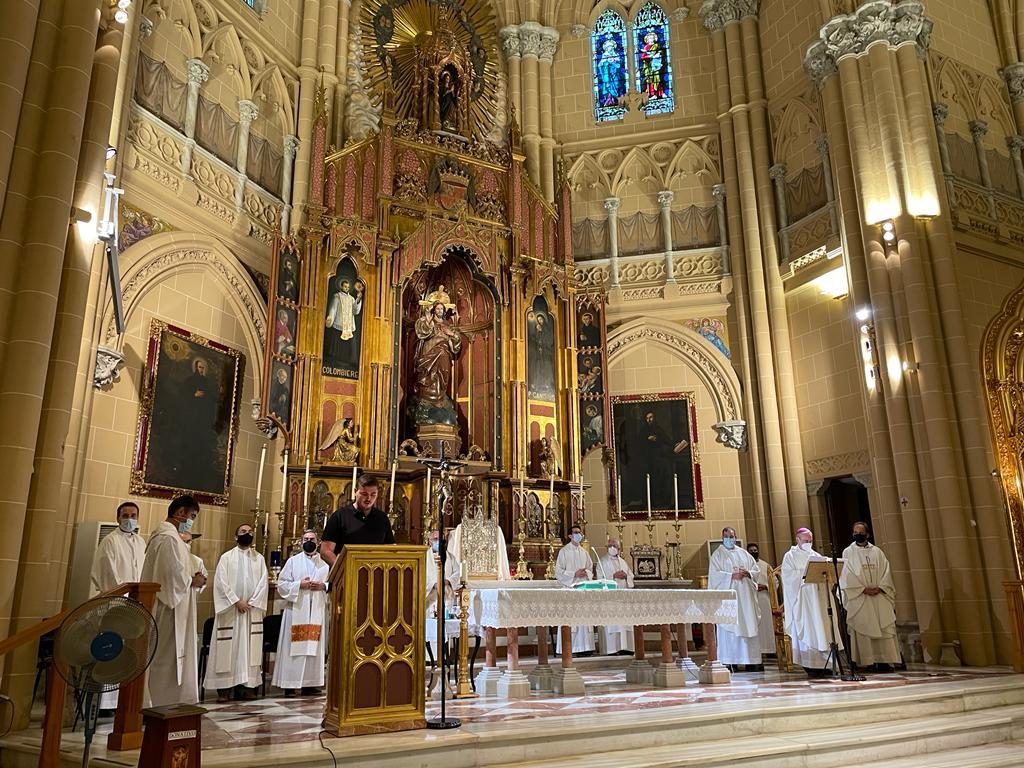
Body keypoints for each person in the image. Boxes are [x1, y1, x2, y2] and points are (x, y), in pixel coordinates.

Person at [142, 495, 206, 707]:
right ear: (180, 513)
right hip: (168, 607)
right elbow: (171, 576)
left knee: (168, 657)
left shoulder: (167, 536)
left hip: (171, 604)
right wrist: (192, 580)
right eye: (192, 516)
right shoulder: (168, 539)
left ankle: (166, 702)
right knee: (165, 659)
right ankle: (161, 704)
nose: (191, 522)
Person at [91, 501, 147, 712]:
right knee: (115, 649)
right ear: (118, 518)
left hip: (136, 606)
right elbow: (106, 574)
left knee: (132, 651)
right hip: (117, 605)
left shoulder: (141, 542)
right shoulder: (110, 541)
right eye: (126, 515)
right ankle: (108, 703)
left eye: (133, 515)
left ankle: (128, 698)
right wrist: (122, 598)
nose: (130, 519)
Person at [205, 524, 268, 702]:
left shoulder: (259, 558)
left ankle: (248, 687)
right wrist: (236, 601)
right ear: (236, 536)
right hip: (231, 611)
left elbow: (263, 583)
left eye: (250, 532)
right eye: (243, 532)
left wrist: (252, 602)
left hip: (251, 611)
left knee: (249, 649)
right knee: (228, 649)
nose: (247, 534)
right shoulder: (226, 558)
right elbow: (221, 583)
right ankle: (224, 689)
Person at [781, 527, 843, 677]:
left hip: (819, 600)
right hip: (803, 601)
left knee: (822, 627)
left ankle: (826, 664)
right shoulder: (790, 556)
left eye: (810, 540)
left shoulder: (816, 555)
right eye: (805, 540)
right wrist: (804, 574)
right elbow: (788, 577)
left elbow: (826, 574)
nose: (808, 543)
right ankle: (810, 665)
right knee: (809, 630)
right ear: (797, 540)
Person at [273, 530, 329, 696]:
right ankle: (290, 684)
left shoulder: (325, 564)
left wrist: (323, 586)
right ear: (301, 541)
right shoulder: (292, 561)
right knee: (294, 647)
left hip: (316, 611)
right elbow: (281, 584)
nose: (308, 541)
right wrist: (299, 585)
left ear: (318, 542)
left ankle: (309, 684)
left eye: (312, 539)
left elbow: (331, 584)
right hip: (296, 610)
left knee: (314, 647)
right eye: (306, 539)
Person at [840, 522, 901, 671]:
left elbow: (886, 571)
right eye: (854, 532)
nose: (856, 535)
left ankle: (885, 661)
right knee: (864, 628)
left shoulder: (878, 552)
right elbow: (846, 574)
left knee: (883, 627)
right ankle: (868, 662)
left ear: (867, 534)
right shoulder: (848, 552)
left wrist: (881, 587)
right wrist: (862, 589)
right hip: (861, 597)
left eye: (860, 532)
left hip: (879, 595)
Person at [708, 528, 761, 671]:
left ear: (735, 537)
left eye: (731, 536)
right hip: (729, 599)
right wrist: (731, 576)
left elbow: (756, 571)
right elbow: (714, 576)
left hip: (745, 599)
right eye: (726, 537)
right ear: (722, 537)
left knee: (747, 623)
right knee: (730, 627)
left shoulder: (744, 553)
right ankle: (731, 661)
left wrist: (748, 573)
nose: (729, 539)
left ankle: (751, 660)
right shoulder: (717, 555)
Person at [320, 475, 395, 566]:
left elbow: (390, 550)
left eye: (373, 494)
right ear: (355, 492)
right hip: (345, 575)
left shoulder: (382, 518)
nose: (369, 498)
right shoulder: (339, 516)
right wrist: (342, 568)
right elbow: (325, 551)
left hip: (375, 574)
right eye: (364, 494)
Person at [411, 299, 463, 425]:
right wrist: (428, 322)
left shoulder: (447, 324)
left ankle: (440, 394)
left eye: (442, 309)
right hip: (430, 351)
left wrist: (451, 334)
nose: (440, 311)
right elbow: (421, 332)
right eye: (438, 309)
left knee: (443, 372)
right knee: (429, 374)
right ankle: (426, 397)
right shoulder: (427, 320)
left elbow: (456, 343)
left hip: (444, 353)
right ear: (434, 310)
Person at [554, 524, 595, 654]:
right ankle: (570, 648)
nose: (579, 535)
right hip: (569, 590)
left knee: (584, 618)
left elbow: (590, 568)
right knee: (571, 619)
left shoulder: (584, 552)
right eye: (576, 533)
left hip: (583, 589)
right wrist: (574, 574)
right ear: (570, 536)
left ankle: (585, 648)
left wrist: (586, 573)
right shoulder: (564, 551)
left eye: (580, 532)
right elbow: (559, 572)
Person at [597, 538, 634, 654]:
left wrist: (626, 576)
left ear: (619, 548)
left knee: (624, 623)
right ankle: (612, 649)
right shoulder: (602, 562)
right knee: (612, 623)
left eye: (615, 546)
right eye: (610, 545)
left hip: (623, 597)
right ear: (607, 547)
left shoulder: (623, 562)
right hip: (610, 599)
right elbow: (599, 579)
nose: (612, 548)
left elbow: (631, 576)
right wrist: (613, 575)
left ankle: (626, 648)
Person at [324, 277, 364, 370]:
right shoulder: (337, 296)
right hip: (339, 323)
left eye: (348, 287)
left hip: (349, 325)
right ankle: (335, 361)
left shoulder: (351, 298)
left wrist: (358, 299)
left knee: (349, 344)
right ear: (341, 287)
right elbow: (333, 309)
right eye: (345, 287)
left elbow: (355, 311)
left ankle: (348, 362)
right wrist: (330, 318)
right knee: (337, 344)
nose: (346, 288)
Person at [747, 542, 776, 656]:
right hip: (751, 597)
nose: (754, 552)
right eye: (751, 551)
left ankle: (769, 649)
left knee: (766, 623)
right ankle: (756, 650)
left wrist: (766, 586)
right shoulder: (746, 566)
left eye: (755, 550)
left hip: (764, 596)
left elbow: (775, 582)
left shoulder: (766, 566)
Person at [425, 529, 461, 616]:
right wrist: (433, 584)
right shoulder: (424, 557)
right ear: (430, 541)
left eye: (441, 540)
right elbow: (420, 575)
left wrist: (448, 581)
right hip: (430, 597)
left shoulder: (450, 557)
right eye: (435, 539)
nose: (438, 542)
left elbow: (457, 572)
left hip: (447, 596)